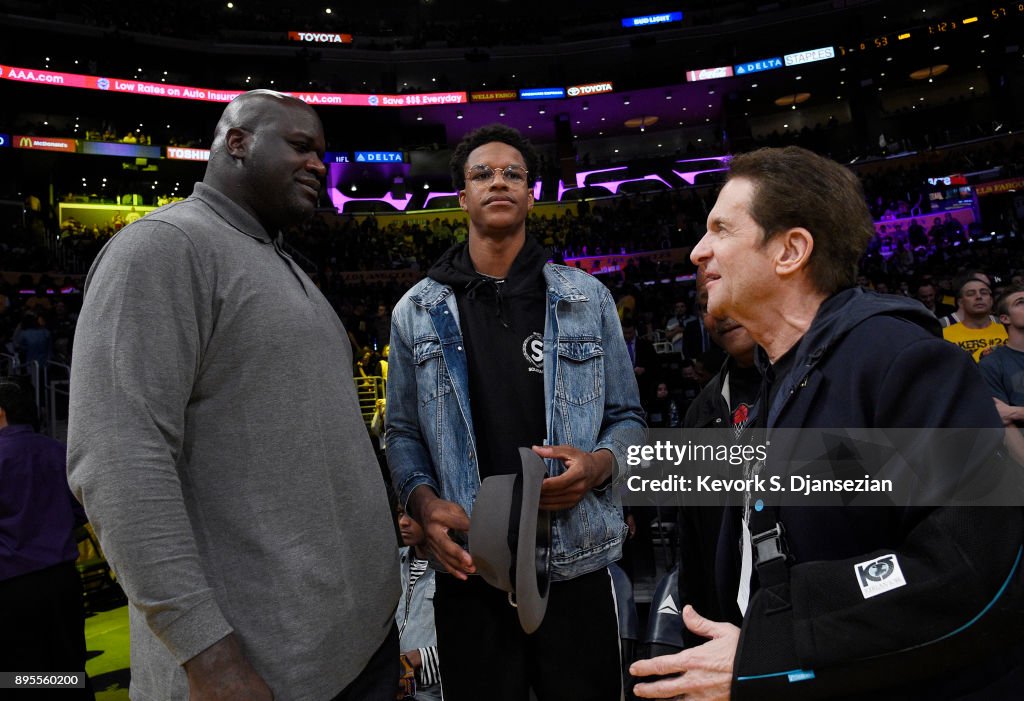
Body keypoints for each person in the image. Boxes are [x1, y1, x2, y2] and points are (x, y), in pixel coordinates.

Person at [631, 146, 1023, 699]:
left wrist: (770, 650)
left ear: (790, 250)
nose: (697, 252)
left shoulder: (899, 357)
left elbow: (972, 568)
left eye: (720, 229)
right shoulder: (776, 380)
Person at [67, 90, 400, 701]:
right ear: (238, 142)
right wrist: (207, 653)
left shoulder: (283, 262)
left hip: (354, 649)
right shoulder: (163, 248)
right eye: (300, 146)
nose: (319, 165)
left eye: (323, 153)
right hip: (255, 672)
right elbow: (117, 458)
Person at [386, 123, 646, 701]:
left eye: (512, 174)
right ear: (461, 197)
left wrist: (599, 465)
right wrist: (424, 503)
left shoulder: (587, 298)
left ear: (532, 194)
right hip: (470, 565)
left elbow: (628, 417)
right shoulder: (416, 311)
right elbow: (401, 433)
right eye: (482, 174)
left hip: (575, 559)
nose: (497, 182)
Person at [0, 380, 94, 700]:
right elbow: (85, 507)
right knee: (69, 668)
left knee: (20, 677)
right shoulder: (58, 451)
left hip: (12, 586)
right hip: (63, 579)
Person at [395, 504, 443, 701]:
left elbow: (473, 645)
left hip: (434, 693)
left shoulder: (453, 570)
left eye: (412, 514)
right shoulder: (392, 562)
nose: (403, 522)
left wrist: (419, 658)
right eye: (400, 513)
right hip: (392, 688)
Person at [942, 276, 1008, 362]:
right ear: (961, 303)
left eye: (984, 293)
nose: (979, 297)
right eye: (971, 294)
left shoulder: (1009, 330)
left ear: (991, 300)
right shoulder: (944, 335)